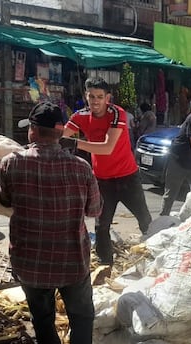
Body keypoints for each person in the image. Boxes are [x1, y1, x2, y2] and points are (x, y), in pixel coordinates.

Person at [0, 102, 102, 344]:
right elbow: (94, 210)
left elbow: (4, 199)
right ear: (60, 133)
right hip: (72, 261)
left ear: (31, 131)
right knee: (82, 317)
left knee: (42, 316)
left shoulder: (12, 164)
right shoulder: (81, 167)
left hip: (30, 263)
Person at [62, 76, 152, 265]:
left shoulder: (117, 113)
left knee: (145, 219)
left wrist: (75, 143)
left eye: (100, 97)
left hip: (128, 177)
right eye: (92, 96)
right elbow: (61, 135)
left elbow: (107, 147)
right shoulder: (80, 116)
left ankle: (155, 255)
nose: (96, 101)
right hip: (102, 181)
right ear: (86, 96)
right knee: (102, 226)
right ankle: (105, 266)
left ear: (107, 97)